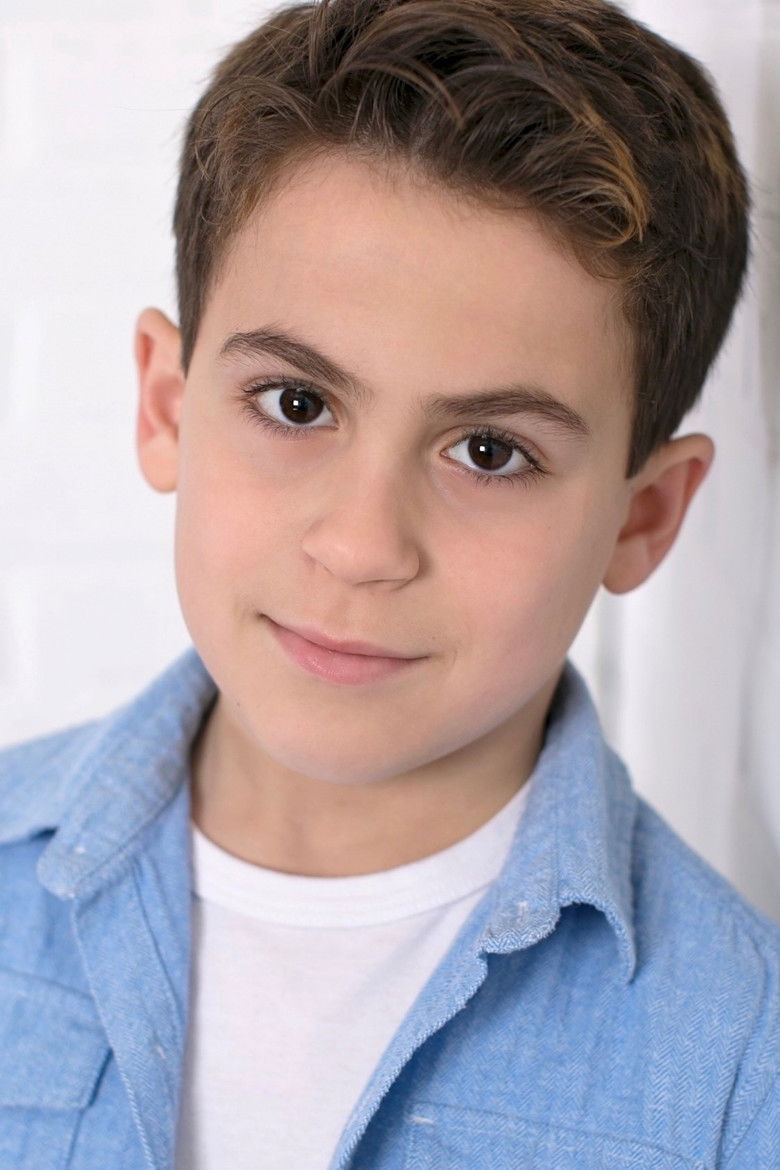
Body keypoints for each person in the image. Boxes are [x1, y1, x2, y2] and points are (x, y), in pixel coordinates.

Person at [0, 0, 778, 1166]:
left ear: (644, 516)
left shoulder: (743, 1072)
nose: (363, 546)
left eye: (490, 452)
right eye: (296, 404)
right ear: (166, 407)